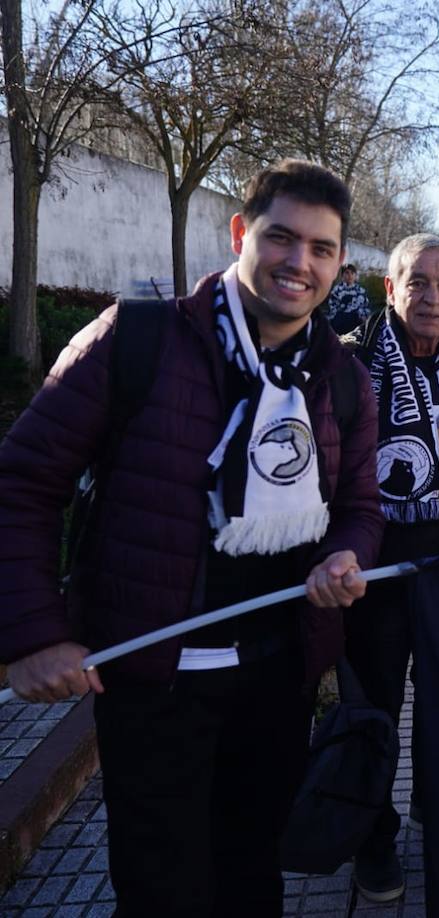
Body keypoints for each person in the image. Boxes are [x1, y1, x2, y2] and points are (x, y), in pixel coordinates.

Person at [0, 159, 384, 916]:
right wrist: (33, 635)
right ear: (241, 233)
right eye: (281, 237)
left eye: (321, 248)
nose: (298, 263)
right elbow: (21, 483)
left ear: (340, 263)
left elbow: (361, 506)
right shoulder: (136, 337)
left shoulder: (340, 376)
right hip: (155, 688)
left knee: (253, 882)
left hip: (279, 683)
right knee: (163, 893)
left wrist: (348, 554)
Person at [340, 233, 439, 901]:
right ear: (391, 288)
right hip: (377, 577)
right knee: (375, 709)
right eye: (420, 283)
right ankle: (372, 839)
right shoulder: (350, 366)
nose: (433, 298)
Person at [324, 262, 372, 335]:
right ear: (342, 275)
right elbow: (332, 307)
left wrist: (364, 317)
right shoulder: (337, 290)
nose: (350, 276)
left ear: (355, 275)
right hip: (341, 319)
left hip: (356, 319)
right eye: (347, 273)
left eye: (352, 273)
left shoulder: (360, 290)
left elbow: (365, 306)